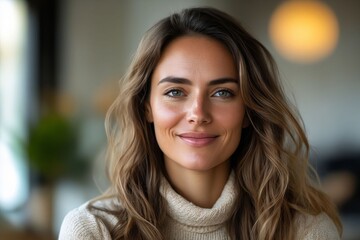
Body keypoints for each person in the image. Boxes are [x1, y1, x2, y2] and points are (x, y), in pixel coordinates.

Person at [59, 7, 342, 240]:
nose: (198, 113)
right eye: (175, 92)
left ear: (248, 110)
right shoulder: (94, 231)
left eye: (222, 93)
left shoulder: (306, 232)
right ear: (147, 107)